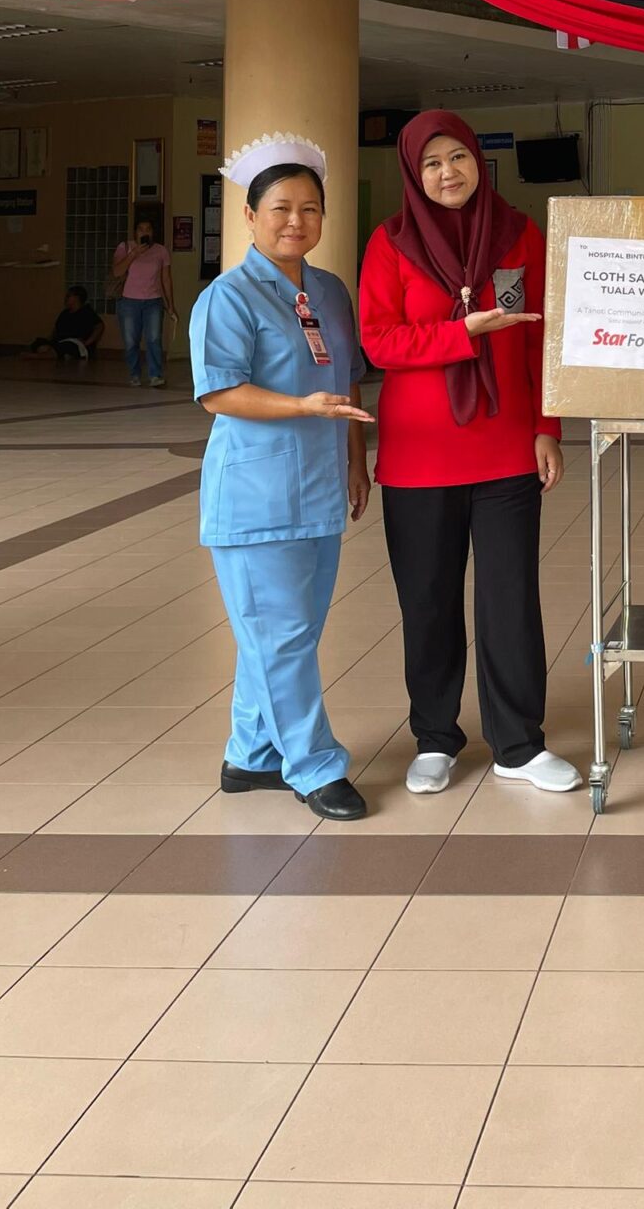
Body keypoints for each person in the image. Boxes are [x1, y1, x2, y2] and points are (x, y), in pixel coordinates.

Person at [359, 110, 580, 796]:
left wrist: (547, 425)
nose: (447, 172)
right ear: (412, 173)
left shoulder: (518, 233)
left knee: (511, 600)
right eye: (431, 163)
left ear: (479, 162)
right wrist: (462, 334)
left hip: (507, 446)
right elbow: (379, 340)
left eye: (457, 157)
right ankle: (435, 738)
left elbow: (543, 334)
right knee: (428, 601)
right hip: (420, 454)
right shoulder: (391, 242)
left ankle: (518, 743)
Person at [189, 135, 373, 821]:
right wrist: (301, 407)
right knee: (283, 637)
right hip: (256, 497)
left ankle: (250, 754)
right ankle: (315, 766)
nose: (297, 220)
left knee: (285, 634)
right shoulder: (228, 297)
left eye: (310, 208)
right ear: (250, 215)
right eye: (281, 208)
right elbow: (219, 392)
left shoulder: (330, 291)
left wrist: (355, 459)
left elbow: (347, 378)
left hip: (319, 488)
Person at [111, 215, 174, 387]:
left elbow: (166, 279)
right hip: (128, 301)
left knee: (154, 339)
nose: (144, 232)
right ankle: (134, 373)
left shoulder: (161, 251)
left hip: (153, 301)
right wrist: (133, 254)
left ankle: (155, 375)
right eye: (141, 229)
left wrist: (170, 304)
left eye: (148, 229)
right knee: (131, 341)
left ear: (153, 232)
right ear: (135, 232)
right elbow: (117, 271)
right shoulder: (124, 247)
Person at [26, 285, 104, 363]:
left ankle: (41, 356)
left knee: (67, 346)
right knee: (39, 343)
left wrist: (87, 342)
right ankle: (58, 354)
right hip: (60, 341)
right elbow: (56, 329)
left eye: (68, 296)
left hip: (75, 343)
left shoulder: (87, 312)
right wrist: (49, 340)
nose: (66, 298)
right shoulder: (65, 313)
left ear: (77, 298)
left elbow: (99, 326)